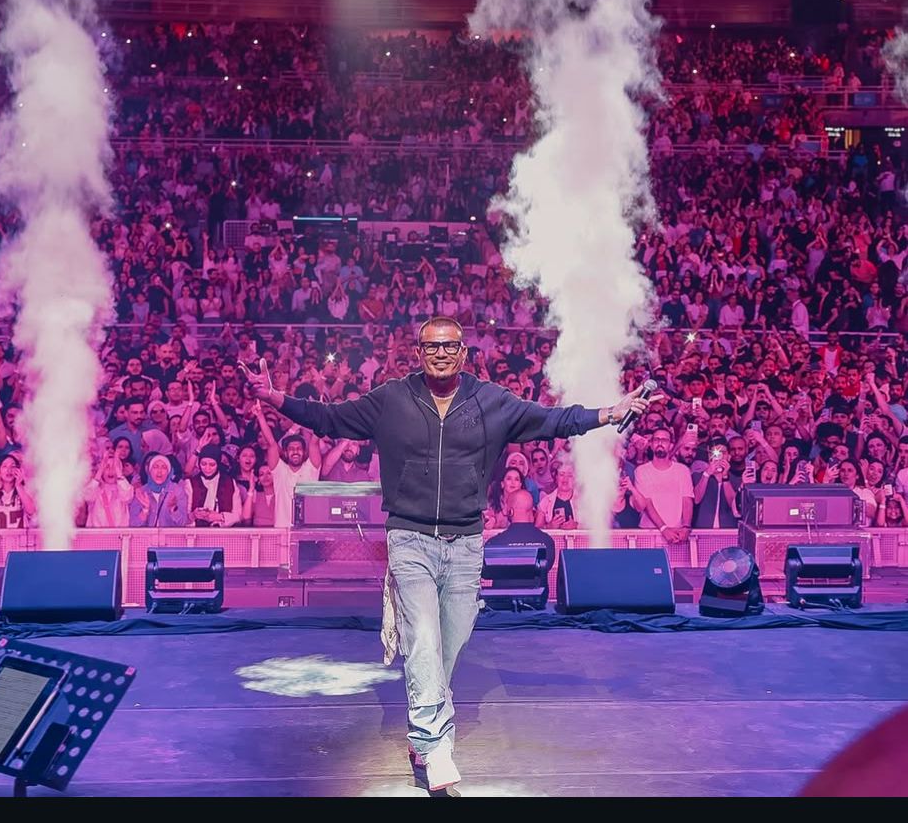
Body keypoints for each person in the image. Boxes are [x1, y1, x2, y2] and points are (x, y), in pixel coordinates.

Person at [240, 315, 656, 793]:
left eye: (449, 346)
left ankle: (422, 732)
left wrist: (609, 413)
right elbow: (329, 418)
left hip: (465, 546)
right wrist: (274, 398)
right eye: (431, 346)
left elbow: (552, 420)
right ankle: (435, 747)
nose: (440, 353)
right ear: (418, 353)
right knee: (422, 641)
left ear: (463, 353)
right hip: (409, 540)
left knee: (447, 650)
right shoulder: (392, 399)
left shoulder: (492, 401)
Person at [484, 488, 555, 608]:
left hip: (500, 609)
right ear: (532, 510)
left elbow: (485, 574)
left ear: (510, 511)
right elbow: (546, 568)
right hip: (535, 607)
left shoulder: (493, 543)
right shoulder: (547, 542)